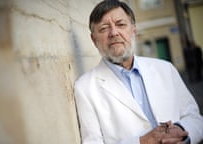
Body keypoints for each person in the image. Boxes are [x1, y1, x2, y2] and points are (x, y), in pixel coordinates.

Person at [74, 1, 203, 144]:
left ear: (134, 31)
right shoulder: (85, 88)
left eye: (121, 24)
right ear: (94, 39)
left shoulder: (166, 69)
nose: (114, 32)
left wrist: (181, 132)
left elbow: (195, 118)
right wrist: (142, 141)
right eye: (104, 28)